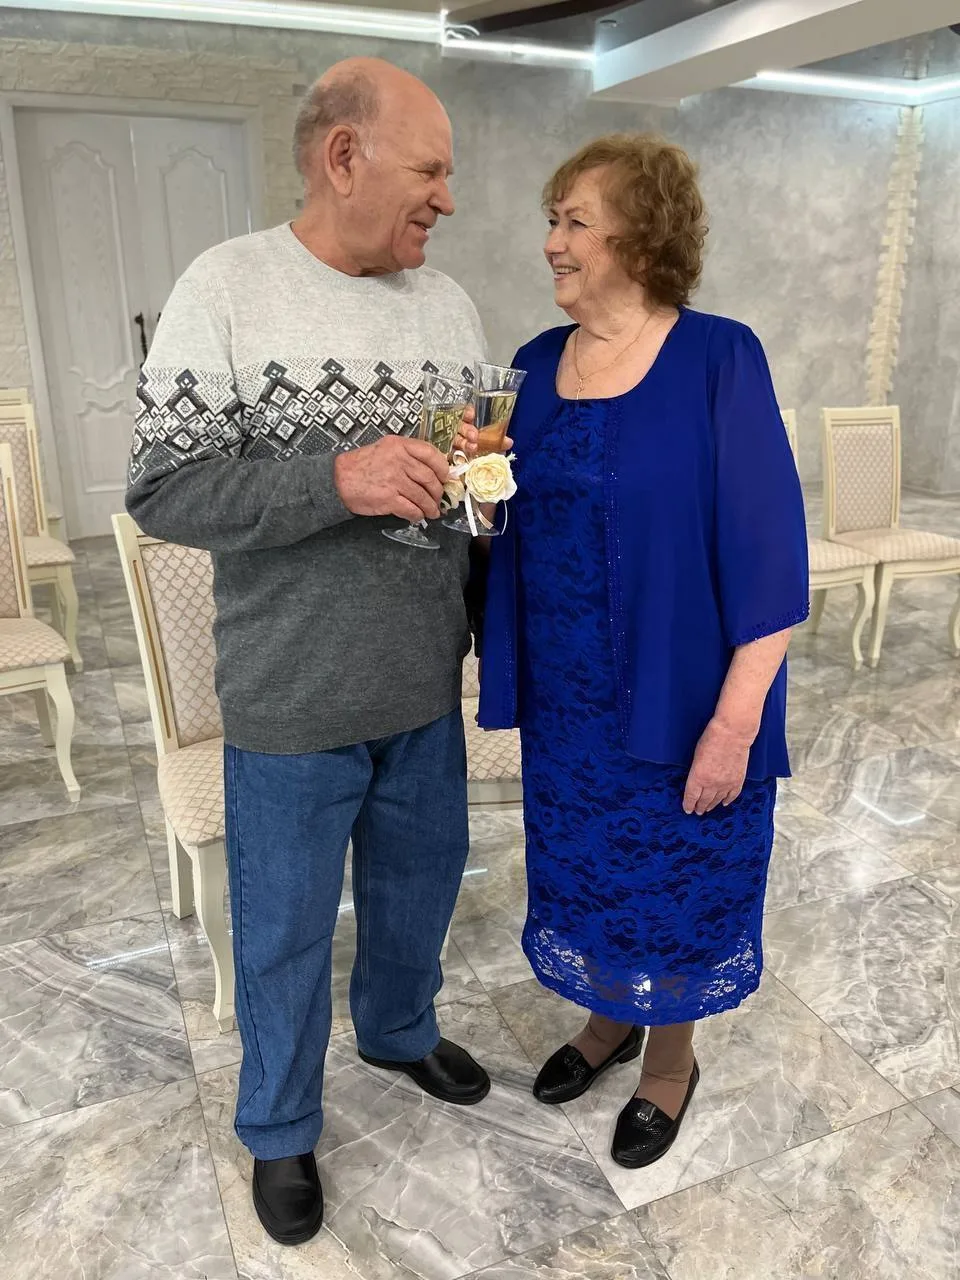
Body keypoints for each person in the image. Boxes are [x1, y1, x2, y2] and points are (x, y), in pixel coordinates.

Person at [126, 58, 490, 1246]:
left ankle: (398, 1028)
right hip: (290, 694)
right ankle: (279, 1124)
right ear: (344, 157)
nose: (446, 199)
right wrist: (338, 479)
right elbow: (164, 488)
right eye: (430, 170)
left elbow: (466, 484)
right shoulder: (226, 287)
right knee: (282, 928)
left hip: (424, 684)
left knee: (419, 884)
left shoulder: (450, 305)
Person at [473, 134, 808, 1169]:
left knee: (677, 883)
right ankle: (607, 1020)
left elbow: (770, 553)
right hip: (569, 709)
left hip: (682, 697)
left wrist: (735, 723)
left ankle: (669, 1062)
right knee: (589, 878)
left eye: (575, 221)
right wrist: (472, 495)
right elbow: (503, 528)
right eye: (553, 220)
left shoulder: (719, 358)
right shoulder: (531, 365)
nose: (551, 242)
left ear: (642, 236)